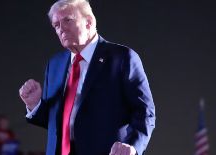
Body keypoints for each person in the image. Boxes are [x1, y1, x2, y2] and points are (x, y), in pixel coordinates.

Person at [19, 0, 155, 155]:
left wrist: (133, 146)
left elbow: (145, 112)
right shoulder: (54, 64)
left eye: (67, 20)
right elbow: (57, 124)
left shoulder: (122, 58)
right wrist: (35, 105)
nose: (61, 29)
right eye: (56, 25)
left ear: (89, 22)